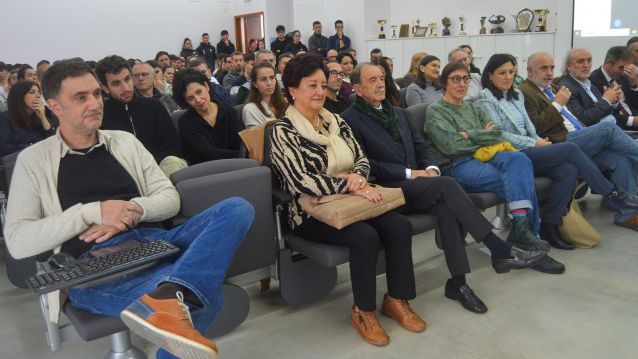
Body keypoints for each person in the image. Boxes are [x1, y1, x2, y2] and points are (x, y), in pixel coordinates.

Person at [3, 58, 254, 359]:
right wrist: (93, 212)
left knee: (237, 208)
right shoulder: (34, 161)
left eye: (96, 94)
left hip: (151, 243)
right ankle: (172, 295)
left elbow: (169, 198)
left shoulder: (124, 142)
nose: (95, 103)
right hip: (90, 267)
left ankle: (169, 295)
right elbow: (18, 242)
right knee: (203, 296)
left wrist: (130, 210)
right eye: (80, 97)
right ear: (55, 106)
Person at [342, 63, 546, 313]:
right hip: (386, 188)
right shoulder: (349, 119)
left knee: (447, 207)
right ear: (357, 88)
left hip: (420, 183)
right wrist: (410, 173)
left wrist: (431, 168)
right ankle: (498, 247)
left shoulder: (398, 112)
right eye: (372, 80)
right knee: (448, 186)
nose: (380, 83)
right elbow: (365, 164)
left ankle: (458, 284)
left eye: (381, 78)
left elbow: (422, 148)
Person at [270, 53, 426, 346]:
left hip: (353, 199)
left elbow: (362, 158)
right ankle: (363, 311)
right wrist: (349, 185)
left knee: (399, 227)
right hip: (309, 212)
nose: (319, 91)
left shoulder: (335, 121)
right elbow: (298, 180)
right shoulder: (282, 130)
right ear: (292, 90)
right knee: (364, 237)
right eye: (310, 86)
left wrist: (358, 177)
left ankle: (396, 299)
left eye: (321, 84)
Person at [476, 54, 638, 250]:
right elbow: (500, 135)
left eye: (511, 72)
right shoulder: (486, 98)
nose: (508, 77)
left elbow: (530, 128)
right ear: (490, 76)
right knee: (578, 145)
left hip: (535, 147)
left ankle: (550, 227)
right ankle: (612, 192)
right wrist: (534, 142)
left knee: (569, 169)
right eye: (502, 73)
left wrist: (537, 140)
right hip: (513, 154)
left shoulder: (515, 96)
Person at [520, 51, 638, 230]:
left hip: (579, 136)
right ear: (529, 71)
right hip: (560, 143)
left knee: (618, 159)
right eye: (544, 68)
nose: (549, 72)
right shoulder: (525, 92)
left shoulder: (552, 87)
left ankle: (627, 214)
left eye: (551, 67)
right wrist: (558, 104)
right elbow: (537, 126)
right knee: (608, 129)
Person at [96, 55, 187, 177]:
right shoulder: (101, 117)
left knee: (173, 162)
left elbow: (172, 146)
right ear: (105, 88)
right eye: (116, 83)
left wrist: (151, 169)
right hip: (125, 176)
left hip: (160, 169)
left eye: (127, 79)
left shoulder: (154, 106)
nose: (125, 87)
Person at [173, 69, 243, 164]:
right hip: (206, 172)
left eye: (199, 92)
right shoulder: (185, 122)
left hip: (239, 166)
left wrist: (242, 155)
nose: (198, 100)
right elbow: (208, 154)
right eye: (190, 98)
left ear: (206, 86)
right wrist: (240, 154)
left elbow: (241, 144)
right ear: (185, 101)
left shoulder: (229, 111)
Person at [558, 48, 622, 128]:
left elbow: (609, 112)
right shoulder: (566, 88)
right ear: (569, 66)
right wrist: (606, 100)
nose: (586, 65)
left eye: (589, 60)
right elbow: (583, 119)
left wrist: (613, 101)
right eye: (580, 61)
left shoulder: (590, 83)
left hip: (614, 128)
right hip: (597, 134)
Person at [0, 81, 58, 156]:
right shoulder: (4, 118)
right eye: (32, 92)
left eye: (39, 92)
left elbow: (54, 141)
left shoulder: (39, 118)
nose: (38, 96)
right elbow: (4, 148)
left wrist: (43, 118)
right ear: (19, 96)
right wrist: (34, 147)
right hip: (15, 163)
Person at [589, 46, 638, 128]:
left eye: (625, 68)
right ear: (608, 63)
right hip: (620, 126)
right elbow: (605, 115)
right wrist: (632, 121)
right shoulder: (593, 81)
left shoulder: (623, 76)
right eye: (620, 68)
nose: (623, 72)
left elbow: (634, 104)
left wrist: (634, 85)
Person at [242, 61, 287, 128]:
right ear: (255, 84)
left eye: (272, 78)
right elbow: (257, 137)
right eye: (263, 79)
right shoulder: (250, 109)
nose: (269, 83)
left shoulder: (284, 102)